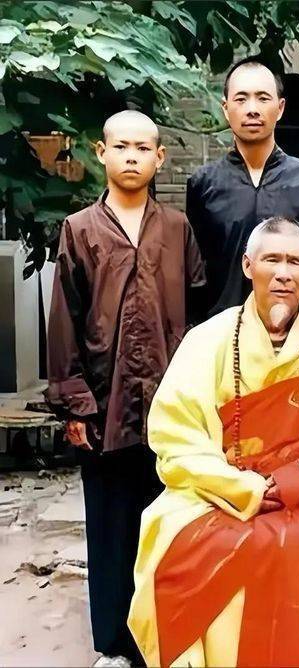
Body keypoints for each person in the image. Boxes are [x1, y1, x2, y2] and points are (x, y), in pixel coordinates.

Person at [128, 217, 299, 668]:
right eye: (272, 259)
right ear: (248, 266)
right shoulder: (207, 340)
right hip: (215, 491)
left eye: (295, 262)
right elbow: (177, 436)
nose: (283, 273)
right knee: (193, 552)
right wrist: (243, 487)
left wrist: (291, 480)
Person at [46, 110, 205, 667]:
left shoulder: (177, 229)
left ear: (160, 157)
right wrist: (75, 403)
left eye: (143, 148)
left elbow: (198, 310)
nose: (132, 156)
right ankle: (114, 644)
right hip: (104, 404)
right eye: (121, 146)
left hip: (171, 403)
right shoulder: (79, 229)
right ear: (101, 152)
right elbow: (64, 317)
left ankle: (163, 637)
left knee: (169, 522)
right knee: (111, 525)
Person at [186, 56, 299, 317]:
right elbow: (195, 271)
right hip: (223, 327)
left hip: (296, 329)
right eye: (241, 99)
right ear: (225, 108)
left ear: (280, 107)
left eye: (263, 98)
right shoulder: (204, 184)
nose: (252, 109)